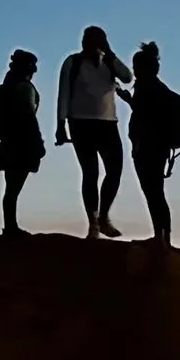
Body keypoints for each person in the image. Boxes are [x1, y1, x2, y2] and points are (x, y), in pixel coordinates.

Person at [56, 25, 133, 238]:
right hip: (81, 123)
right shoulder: (73, 62)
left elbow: (128, 77)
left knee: (114, 171)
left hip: (108, 123)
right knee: (90, 173)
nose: (89, 44)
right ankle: (93, 224)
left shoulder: (109, 62)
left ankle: (104, 216)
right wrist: (61, 124)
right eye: (88, 39)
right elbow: (63, 93)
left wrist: (109, 53)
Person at [117, 41, 180, 247]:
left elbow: (144, 116)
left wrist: (139, 143)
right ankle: (163, 238)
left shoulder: (146, 88)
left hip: (148, 149)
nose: (134, 70)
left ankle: (161, 239)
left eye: (136, 66)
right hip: (158, 148)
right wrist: (129, 100)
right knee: (156, 193)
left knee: (153, 193)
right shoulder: (157, 88)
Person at [0, 49, 44, 235]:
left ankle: (10, 225)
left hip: (9, 142)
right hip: (22, 143)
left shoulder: (7, 86)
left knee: (11, 189)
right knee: (13, 189)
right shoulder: (24, 88)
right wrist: (39, 144)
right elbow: (28, 117)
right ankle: (11, 227)